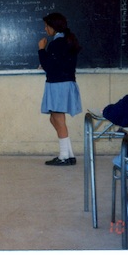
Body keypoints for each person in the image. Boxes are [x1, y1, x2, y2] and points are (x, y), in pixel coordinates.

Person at [38, 12, 82, 166]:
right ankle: (69, 154)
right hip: (65, 83)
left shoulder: (56, 43)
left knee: (58, 119)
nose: (45, 29)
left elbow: (49, 66)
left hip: (58, 85)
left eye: (46, 26)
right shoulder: (67, 41)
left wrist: (41, 50)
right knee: (55, 118)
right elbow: (58, 63)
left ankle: (64, 156)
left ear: (53, 27)